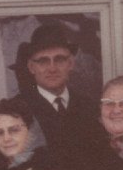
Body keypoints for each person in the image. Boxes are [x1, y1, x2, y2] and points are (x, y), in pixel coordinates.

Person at [18, 24, 100, 152]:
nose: (52, 68)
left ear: (71, 63)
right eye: (43, 61)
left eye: (59, 59)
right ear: (31, 67)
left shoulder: (89, 106)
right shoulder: (18, 110)